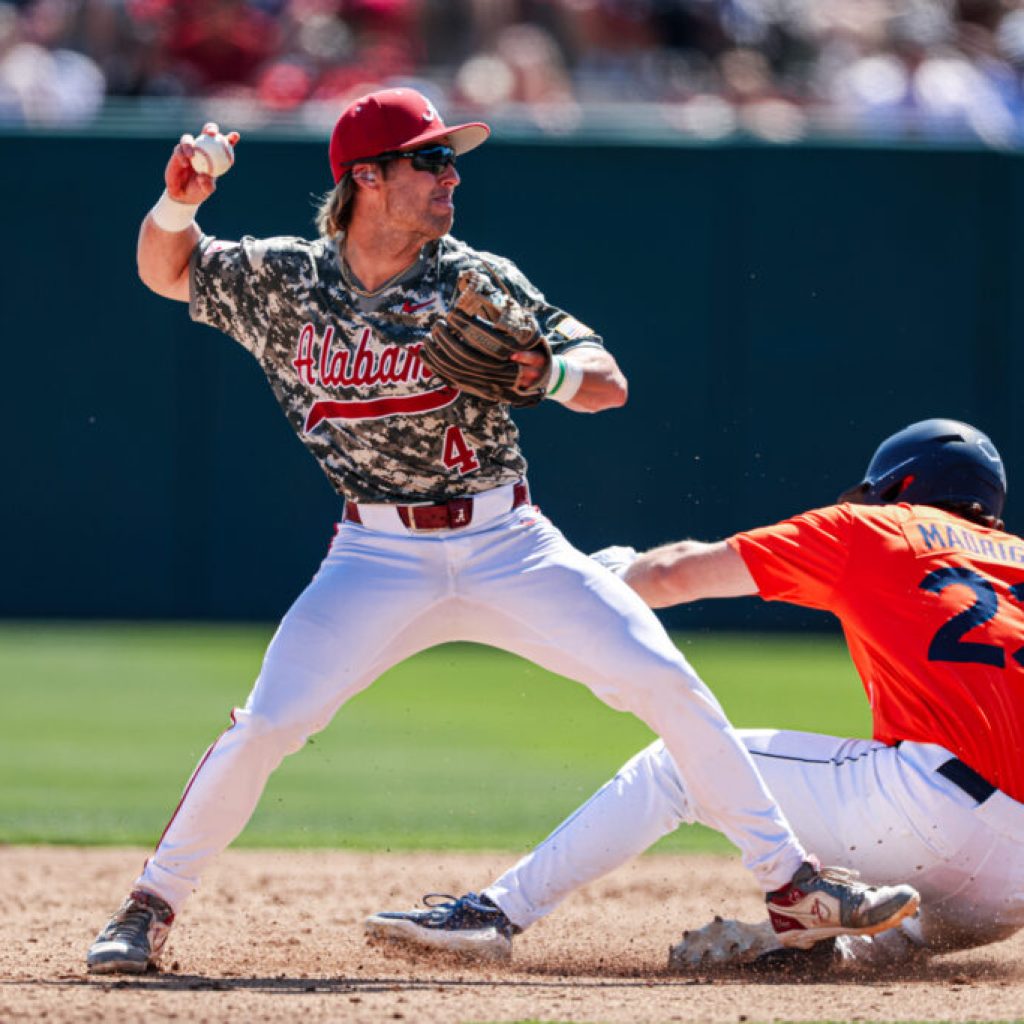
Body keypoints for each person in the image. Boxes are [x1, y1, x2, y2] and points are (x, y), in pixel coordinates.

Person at [85, 87, 917, 974]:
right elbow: (167, 269)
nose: (451, 176)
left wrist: (549, 369)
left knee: (665, 681)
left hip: (506, 542)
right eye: (429, 160)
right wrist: (179, 200)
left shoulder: (475, 279)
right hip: (375, 552)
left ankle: (796, 887)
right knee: (268, 722)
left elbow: (608, 380)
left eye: (451, 160)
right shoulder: (286, 280)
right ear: (366, 177)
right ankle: (150, 907)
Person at [367, 418, 1024, 971]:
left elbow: (679, 572)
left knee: (683, 760)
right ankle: (833, 955)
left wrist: (606, 575)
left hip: (933, 811)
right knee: (913, 922)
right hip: (1011, 893)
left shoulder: (875, 530)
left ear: (899, 487)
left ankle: (493, 917)